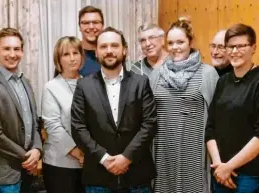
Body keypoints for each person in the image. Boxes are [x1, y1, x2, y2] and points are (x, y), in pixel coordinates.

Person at [71, 27, 157, 193]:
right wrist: (104, 159)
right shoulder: (84, 86)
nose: (109, 51)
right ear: (96, 52)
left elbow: (149, 124)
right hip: (98, 177)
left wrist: (126, 158)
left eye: (114, 46)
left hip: (137, 177)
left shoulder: (141, 83)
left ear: (124, 50)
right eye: (103, 46)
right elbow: (78, 128)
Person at [149, 17, 219, 193]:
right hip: (163, 152)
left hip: (195, 153)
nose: (175, 47)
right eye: (171, 43)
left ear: (191, 42)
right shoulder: (156, 75)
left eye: (180, 42)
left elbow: (216, 120)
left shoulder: (208, 73)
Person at [205, 23, 259, 192]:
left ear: (253, 48)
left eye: (241, 46)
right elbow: (210, 128)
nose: (234, 51)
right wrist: (219, 166)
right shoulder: (223, 81)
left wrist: (229, 167)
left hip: (249, 175)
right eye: (230, 46)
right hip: (220, 170)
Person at [0, 28, 42, 193]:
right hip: (3, 174)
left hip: (27, 170)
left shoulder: (25, 82)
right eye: (7, 48)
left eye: (17, 49)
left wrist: (37, 149)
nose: (12, 54)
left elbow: (34, 122)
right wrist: (27, 156)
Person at [41, 36, 85, 192]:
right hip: (60, 164)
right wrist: (78, 154)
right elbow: (53, 127)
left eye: (76, 53)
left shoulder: (90, 83)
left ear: (82, 56)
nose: (72, 58)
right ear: (58, 60)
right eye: (66, 54)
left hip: (88, 164)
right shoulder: (51, 87)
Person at [78, 6, 104, 77]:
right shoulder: (71, 54)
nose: (91, 27)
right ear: (79, 27)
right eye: (86, 23)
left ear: (102, 26)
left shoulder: (110, 53)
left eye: (95, 22)